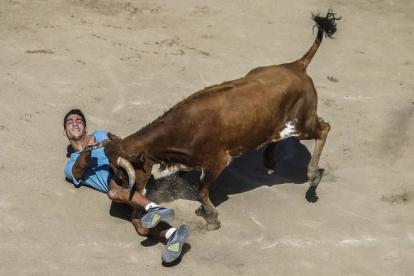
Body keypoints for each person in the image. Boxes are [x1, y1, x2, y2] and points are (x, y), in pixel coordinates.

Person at [63, 108, 190, 263]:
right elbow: (78, 170)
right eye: (70, 122)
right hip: (129, 194)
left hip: (128, 175)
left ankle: (154, 208)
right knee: (141, 227)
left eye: (79, 121)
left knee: (114, 192)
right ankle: (173, 234)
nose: (75, 124)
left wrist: (101, 144)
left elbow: (118, 147)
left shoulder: (99, 135)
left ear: (86, 128)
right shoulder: (69, 166)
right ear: (65, 132)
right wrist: (88, 150)